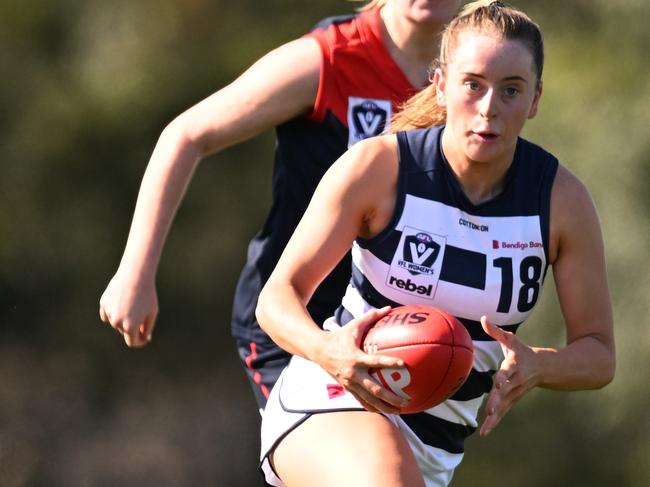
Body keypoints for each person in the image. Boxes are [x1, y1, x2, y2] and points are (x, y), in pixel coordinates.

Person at [255, 1, 616, 486]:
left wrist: (537, 365)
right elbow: (276, 300)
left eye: (511, 90)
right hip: (331, 400)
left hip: (436, 450)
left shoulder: (560, 201)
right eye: (473, 85)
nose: (489, 108)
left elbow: (598, 354)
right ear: (440, 84)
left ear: (535, 100)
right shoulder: (377, 168)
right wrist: (329, 351)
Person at [98, 0, 462, 411]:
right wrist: (136, 273)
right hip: (292, 323)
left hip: (397, 335)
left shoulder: (478, 76)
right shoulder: (328, 58)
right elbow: (186, 136)